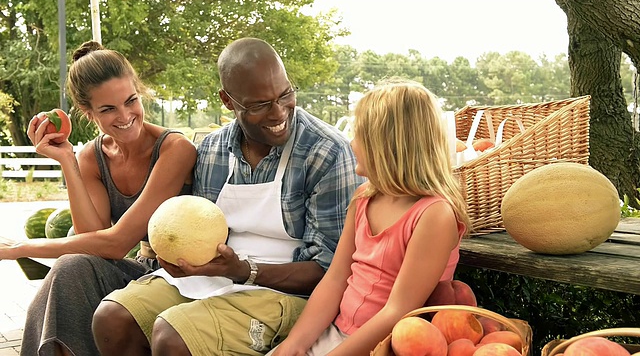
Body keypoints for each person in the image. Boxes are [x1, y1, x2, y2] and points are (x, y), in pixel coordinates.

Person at [91, 37, 364, 355]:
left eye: (286, 94)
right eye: (259, 105)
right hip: (218, 275)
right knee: (113, 318)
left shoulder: (325, 151)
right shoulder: (212, 150)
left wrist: (243, 270)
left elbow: (330, 272)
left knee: (173, 337)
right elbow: (192, 228)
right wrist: (175, 255)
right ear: (228, 101)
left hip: (291, 295)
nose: (279, 113)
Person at [0, 41, 196, 356]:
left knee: (68, 270)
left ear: (139, 91)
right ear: (87, 112)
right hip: (139, 271)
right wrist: (68, 160)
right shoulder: (93, 155)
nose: (125, 116)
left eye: (131, 100)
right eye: (108, 109)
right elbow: (93, 238)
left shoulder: (175, 149)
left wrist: (19, 249)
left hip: (184, 277)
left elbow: (116, 244)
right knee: (72, 269)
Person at [269, 78, 472, 356]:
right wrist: (294, 345)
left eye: (360, 135)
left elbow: (398, 311)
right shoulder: (365, 197)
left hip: (385, 346)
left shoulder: (434, 215)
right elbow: (336, 279)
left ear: (387, 146)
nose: (352, 143)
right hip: (337, 334)